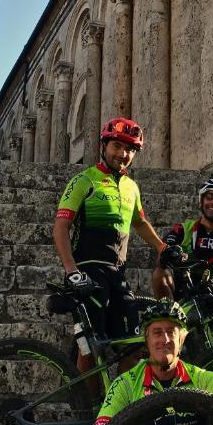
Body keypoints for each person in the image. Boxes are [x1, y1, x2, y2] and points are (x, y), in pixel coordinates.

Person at [52, 118, 165, 366]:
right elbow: (61, 227)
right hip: (88, 273)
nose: (123, 154)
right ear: (104, 145)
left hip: (118, 274)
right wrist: (71, 271)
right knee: (90, 351)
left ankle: (123, 403)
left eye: (130, 150)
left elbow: (140, 222)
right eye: (117, 146)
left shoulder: (132, 187)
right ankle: (88, 404)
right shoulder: (84, 180)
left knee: (132, 346)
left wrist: (162, 248)